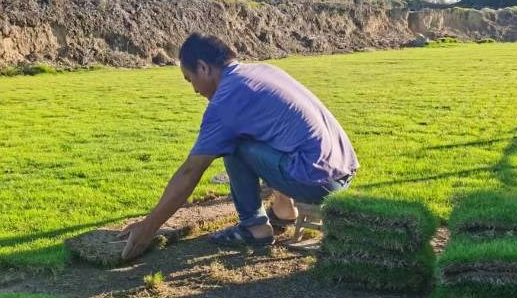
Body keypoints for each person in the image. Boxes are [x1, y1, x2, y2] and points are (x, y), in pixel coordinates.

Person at [121, 33, 358, 260]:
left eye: (190, 79)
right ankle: (285, 210)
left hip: (316, 181)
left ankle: (255, 228)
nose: (194, 89)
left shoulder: (225, 101)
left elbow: (190, 171)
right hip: (343, 169)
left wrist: (148, 227)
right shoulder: (262, 71)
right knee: (258, 135)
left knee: (234, 144)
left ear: (203, 68)